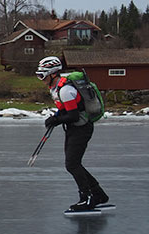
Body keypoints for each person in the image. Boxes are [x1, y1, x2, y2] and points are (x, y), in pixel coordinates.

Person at [36, 56, 109, 211]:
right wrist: (55, 117)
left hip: (81, 128)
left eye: (42, 75)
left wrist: (56, 121)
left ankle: (87, 198)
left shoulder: (66, 90)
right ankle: (99, 195)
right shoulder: (57, 88)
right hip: (75, 128)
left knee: (72, 164)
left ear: (52, 74)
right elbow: (66, 110)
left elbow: (73, 115)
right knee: (73, 164)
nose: (41, 79)